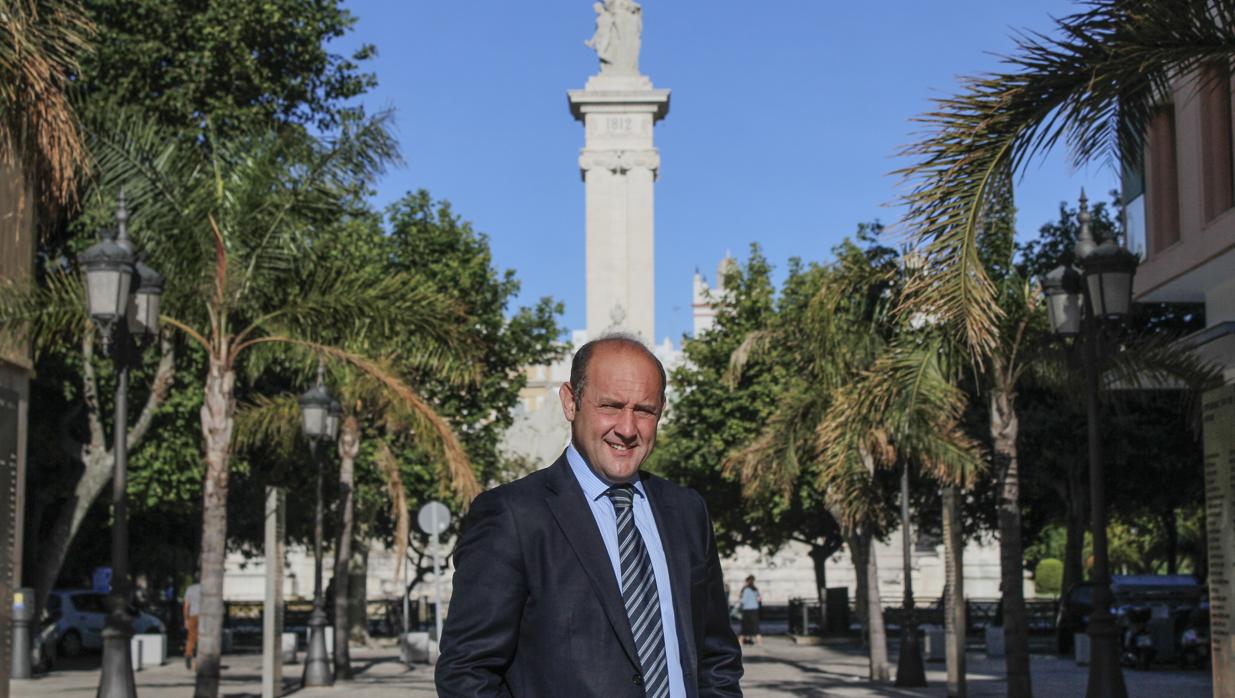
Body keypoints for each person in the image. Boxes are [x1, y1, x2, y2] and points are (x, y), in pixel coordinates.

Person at [437, 335, 743, 697]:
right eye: (610, 406)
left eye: (644, 410)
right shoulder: (513, 516)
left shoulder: (687, 512)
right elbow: (467, 671)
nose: (627, 429)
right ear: (570, 402)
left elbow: (716, 657)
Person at [183, 579, 201, 670]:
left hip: (193, 616)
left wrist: (186, 619)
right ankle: (198, 660)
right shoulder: (207, 589)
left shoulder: (190, 589)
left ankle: (188, 655)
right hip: (205, 616)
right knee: (201, 639)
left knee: (191, 638)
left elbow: (186, 606)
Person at [738, 576, 762, 647]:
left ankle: (740, 641)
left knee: (745, 626)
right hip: (755, 609)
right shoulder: (755, 589)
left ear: (747, 582)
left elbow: (743, 601)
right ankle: (759, 642)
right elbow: (759, 599)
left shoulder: (746, 590)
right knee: (755, 626)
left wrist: (740, 597)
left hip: (747, 609)